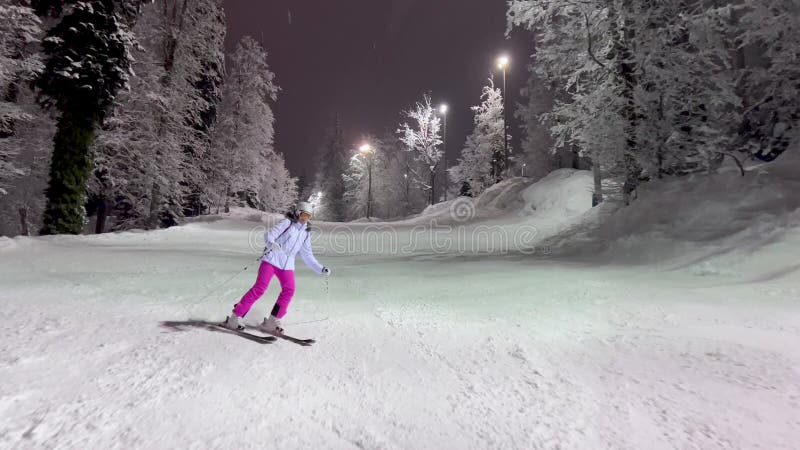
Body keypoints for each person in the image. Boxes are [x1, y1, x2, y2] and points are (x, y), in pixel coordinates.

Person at [223, 201, 330, 334]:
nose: (305, 219)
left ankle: (273, 320)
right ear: (297, 213)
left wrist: (320, 268)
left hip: (287, 265)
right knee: (260, 288)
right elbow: (269, 235)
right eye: (303, 215)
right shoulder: (287, 224)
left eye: (308, 217)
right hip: (271, 260)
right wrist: (271, 244)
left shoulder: (306, 233)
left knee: (289, 290)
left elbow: (307, 255)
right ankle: (236, 317)